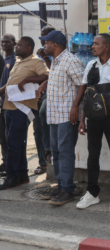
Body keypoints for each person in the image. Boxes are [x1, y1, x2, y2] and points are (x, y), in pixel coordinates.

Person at [77, 33, 110, 212]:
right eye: (93, 44)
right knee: (93, 155)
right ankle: (92, 193)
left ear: (106, 47)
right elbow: (87, 94)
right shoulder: (91, 65)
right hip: (93, 118)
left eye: (96, 44)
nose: (93, 46)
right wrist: (82, 117)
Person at [36, 30, 85, 205]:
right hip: (54, 115)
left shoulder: (71, 60)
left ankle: (68, 189)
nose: (44, 46)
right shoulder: (56, 61)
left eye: (46, 43)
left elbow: (82, 85)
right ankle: (61, 185)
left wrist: (75, 107)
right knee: (56, 153)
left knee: (65, 153)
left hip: (66, 115)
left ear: (55, 45)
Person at [0, 37, 49, 190]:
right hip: (10, 106)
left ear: (28, 48)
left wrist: (27, 80)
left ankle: (12, 177)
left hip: (25, 109)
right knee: (17, 142)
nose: (16, 47)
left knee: (13, 142)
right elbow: (10, 83)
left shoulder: (36, 61)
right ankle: (22, 175)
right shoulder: (18, 60)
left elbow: (47, 76)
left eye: (19, 45)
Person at [36, 26, 55, 167]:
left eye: (45, 38)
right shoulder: (39, 53)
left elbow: (53, 72)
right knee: (37, 129)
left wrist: (44, 57)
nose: (43, 43)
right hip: (38, 93)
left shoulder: (55, 52)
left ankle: (49, 149)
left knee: (44, 113)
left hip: (52, 92)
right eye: (41, 38)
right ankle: (42, 161)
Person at [0, 34, 15, 175]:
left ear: (14, 43)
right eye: (2, 42)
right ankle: (5, 162)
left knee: (9, 135)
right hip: (2, 103)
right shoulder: (2, 59)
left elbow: (12, 81)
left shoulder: (15, 60)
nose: (4, 44)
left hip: (10, 104)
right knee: (2, 136)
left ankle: (10, 166)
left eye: (7, 41)